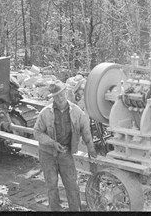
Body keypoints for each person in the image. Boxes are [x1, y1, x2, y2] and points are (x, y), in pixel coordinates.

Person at [33, 81, 97, 211]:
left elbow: (85, 130)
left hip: (65, 154)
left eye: (62, 94)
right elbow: (37, 132)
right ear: (53, 97)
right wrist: (52, 143)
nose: (60, 98)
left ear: (66, 93)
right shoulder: (45, 113)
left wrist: (91, 149)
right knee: (52, 185)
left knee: (72, 185)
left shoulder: (76, 112)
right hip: (48, 154)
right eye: (56, 96)